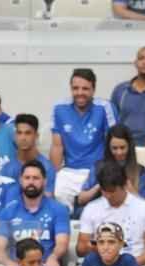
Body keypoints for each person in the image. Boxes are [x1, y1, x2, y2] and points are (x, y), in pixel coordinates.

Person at [50, 69, 116, 208]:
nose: (80, 93)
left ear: (93, 90)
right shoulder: (59, 108)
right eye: (75, 88)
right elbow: (57, 146)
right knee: (61, 205)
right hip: (69, 171)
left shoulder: (105, 107)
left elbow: (114, 143)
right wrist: (52, 177)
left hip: (96, 171)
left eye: (85, 88)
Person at [76, 161, 145, 266]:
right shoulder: (91, 208)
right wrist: (98, 247)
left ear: (124, 185)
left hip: (135, 265)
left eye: (112, 191)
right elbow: (80, 249)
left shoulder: (144, 208)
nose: (108, 196)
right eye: (104, 191)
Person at [76, 124, 145, 206]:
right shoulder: (98, 167)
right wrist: (100, 185)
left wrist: (130, 189)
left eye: (122, 147)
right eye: (114, 148)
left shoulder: (139, 170)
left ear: (129, 146)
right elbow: (81, 199)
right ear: (109, 148)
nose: (119, 152)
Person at [0, 114, 55, 186]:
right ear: (15, 136)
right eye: (19, 133)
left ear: (36, 136)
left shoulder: (46, 167)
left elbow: (48, 195)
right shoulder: (7, 168)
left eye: (28, 133)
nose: (23, 138)